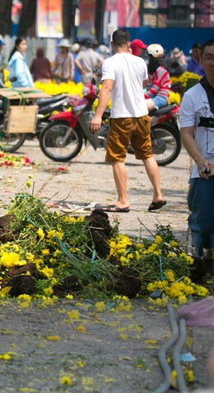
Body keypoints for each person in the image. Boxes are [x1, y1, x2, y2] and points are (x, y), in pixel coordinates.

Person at [89, 28, 164, 213]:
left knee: (117, 158)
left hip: (122, 117)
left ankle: (123, 200)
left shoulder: (110, 62)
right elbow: (144, 84)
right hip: (141, 115)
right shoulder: (139, 61)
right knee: (147, 156)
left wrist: (98, 115)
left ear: (112, 44)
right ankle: (158, 195)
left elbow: (106, 88)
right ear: (129, 44)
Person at [180, 39, 214, 258]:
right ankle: (200, 263)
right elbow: (186, 133)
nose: (213, 62)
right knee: (201, 220)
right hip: (205, 170)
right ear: (200, 60)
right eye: (209, 57)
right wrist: (200, 160)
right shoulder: (192, 96)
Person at [144, 44, 171, 111]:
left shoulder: (160, 70)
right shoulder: (156, 70)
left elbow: (154, 90)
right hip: (154, 97)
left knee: (139, 107)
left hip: (160, 98)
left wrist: (140, 97)